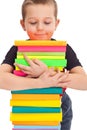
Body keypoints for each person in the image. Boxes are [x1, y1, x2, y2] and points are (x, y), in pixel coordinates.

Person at [0, 0, 86, 130]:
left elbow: (84, 82)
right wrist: (40, 83)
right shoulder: (18, 49)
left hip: (59, 104)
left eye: (47, 22)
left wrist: (46, 73)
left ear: (56, 23)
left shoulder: (64, 49)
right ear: (23, 24)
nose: (40, 28)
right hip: (26, 106)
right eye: (33, 22)